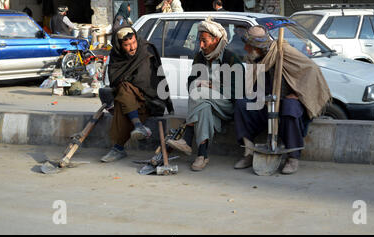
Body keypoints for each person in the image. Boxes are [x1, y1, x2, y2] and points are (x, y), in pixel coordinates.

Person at [233, 25, 332, 174]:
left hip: (287, 99)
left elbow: (311, 70)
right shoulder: (254, 58)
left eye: (248, 45)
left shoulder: (283, 51)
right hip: (266, 100)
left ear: (257, 46)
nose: (245, 48)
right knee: (242, 104)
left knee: (290, 107)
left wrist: (298, 94)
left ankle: (293, 157)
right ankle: (249, 152)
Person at [166, 18, 244, 171]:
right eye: (199, 41)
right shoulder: (200, 57)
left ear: (216, 40)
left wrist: (211, 86)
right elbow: (190, 83)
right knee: (204, 107)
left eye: (204, 41)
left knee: (199, 90)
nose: (201, 45)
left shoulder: (231, 59)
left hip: (226, 105)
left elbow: (237, 92)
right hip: (205, 103)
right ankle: (202, 156)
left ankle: (187, 138)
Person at [100, 26, 174, 163]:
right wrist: (126, 83)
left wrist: (127, 81)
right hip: (130, 98)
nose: (132, 47)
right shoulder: (116, 55)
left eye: (133, 42)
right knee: (124, 95)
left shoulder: (145, 49)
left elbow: (146, 78)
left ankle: (118, 148)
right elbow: (114, 78)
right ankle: (138, 126)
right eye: (127, 45)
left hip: (149, 98)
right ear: (120, 46)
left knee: (124, 93)